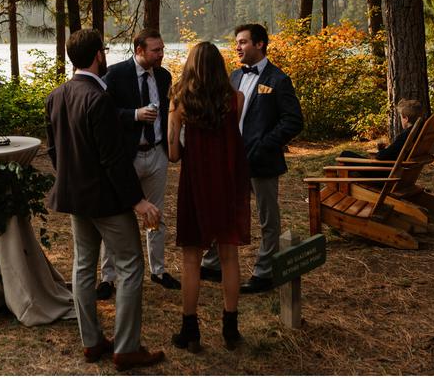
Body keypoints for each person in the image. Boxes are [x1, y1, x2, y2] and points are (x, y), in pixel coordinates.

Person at [45, 29, 165, 372]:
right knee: (130, 267)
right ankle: (126, 348)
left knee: (83, 267)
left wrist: (72, 178)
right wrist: (138, 201)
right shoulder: (99, 99)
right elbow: (113, 158)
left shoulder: (56, 95)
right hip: (105, 200)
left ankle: (92, 341)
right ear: (99, 55)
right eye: (104, 50)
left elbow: (55, 151)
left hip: (75, 196)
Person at [200, 23, 304, 294]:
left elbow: (293, 121)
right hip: (231, 159)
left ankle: (264, 271)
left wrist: (264, 145)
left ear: (259, 44)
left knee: (267, 218)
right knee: (222, 210)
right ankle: (212, 264)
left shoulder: (278, 80)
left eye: (243, 42)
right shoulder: (233, 77)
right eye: (236, 42)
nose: (238, 47)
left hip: (262, 161)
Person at [166, 42, 252, 352]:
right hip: (229, 181)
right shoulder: (236, 99)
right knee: (230, 256)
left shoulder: (179, 100)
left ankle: (190, 330)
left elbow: (173, 153)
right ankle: (231, 329)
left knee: (191, 259)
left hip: (196, 182)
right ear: (219, 66)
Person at [96, 29, 179, 301]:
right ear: (140, 50)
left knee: (156, 214)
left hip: (156, 153)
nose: (161, 54)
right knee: (117, 215)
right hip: (127, 157)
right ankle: (107, 277)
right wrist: (135, 114)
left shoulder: (164, 76)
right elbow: (103, 113)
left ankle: (158, 270)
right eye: (156, 50)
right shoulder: (117, 74)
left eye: (162, 49)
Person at [341, 99, 423, 162]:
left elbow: (381, 156)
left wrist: (381, 150)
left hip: (383, 173)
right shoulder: (419, 133)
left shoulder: (405, 136)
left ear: (405, 118)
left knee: (345, 154)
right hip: (395, 170)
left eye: (401, 117)